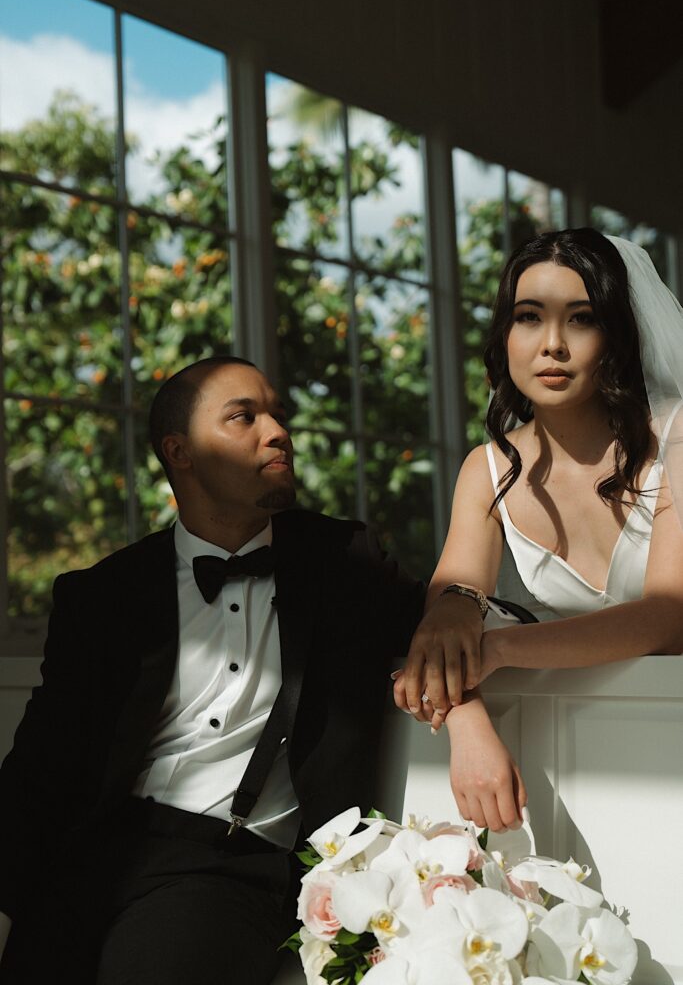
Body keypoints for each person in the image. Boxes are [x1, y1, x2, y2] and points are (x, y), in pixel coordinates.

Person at [0, 356, 430, 984]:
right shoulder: (103, 595)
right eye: (243, 417)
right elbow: (42, 763)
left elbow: (444, 625)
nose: (278, 430)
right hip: (96, 854)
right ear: (181, 451)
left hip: (228, 865)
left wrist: (465, 675)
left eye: (277, 414)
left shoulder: (344, 561)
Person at [395, 228, 683, 832]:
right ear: (505, 334)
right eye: (530, 317)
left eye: (581, 319)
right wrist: (468, 720)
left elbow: (666, 617)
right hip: (596, 736)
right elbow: (448, 610)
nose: (551, 345)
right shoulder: (488, 468)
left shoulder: (678, 439)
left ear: (619, 336)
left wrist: (496, 650)